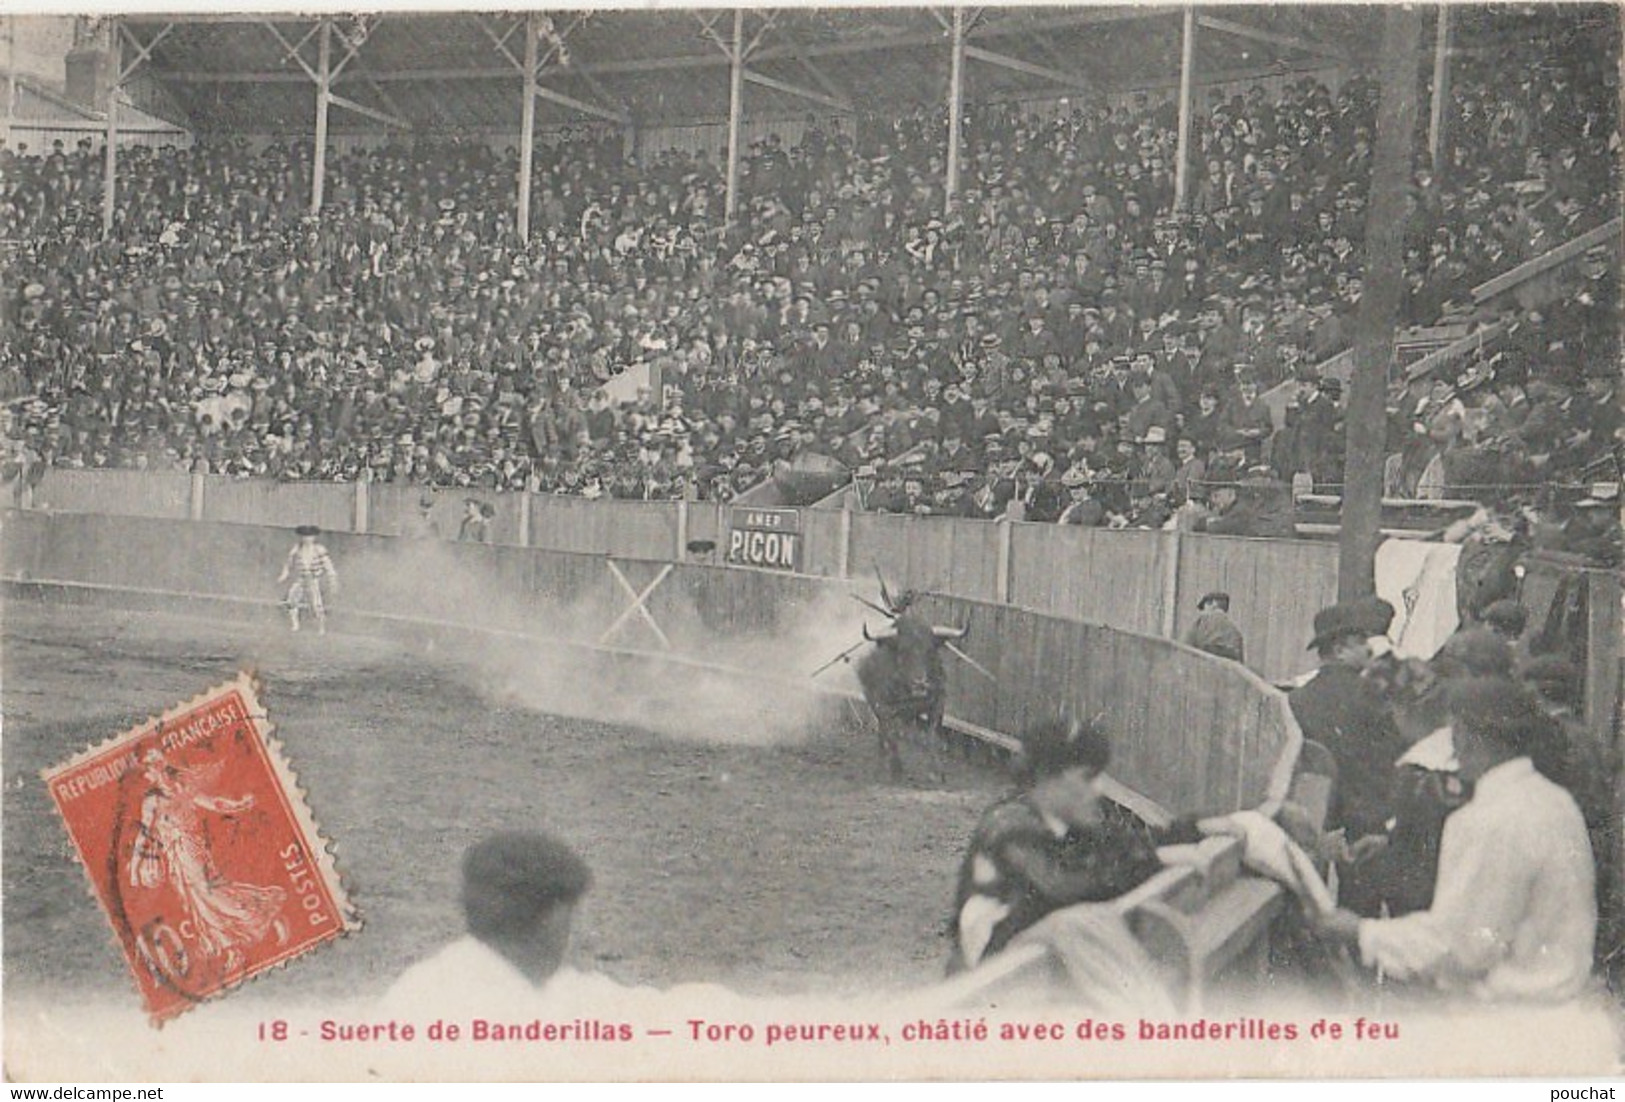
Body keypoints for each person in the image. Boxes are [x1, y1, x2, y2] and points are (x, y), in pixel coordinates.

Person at [1311, 677, 1596, 1004]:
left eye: (1455, 733)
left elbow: (1459, 949)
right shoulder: (1554, 800)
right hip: (1563, 1003)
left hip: (1510, 1018)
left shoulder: (1487, 818)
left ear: (1468, 737)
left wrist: (1359, 931)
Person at [948, 717, 1163, 974]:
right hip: (985, 982)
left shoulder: (1063, 820)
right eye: (1086, 777)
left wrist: (1196, 830)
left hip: (1030, 972)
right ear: (1048, 778)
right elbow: (1063, 886)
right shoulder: (1008, 824)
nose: (1097, 789)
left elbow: (1129, 841)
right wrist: (1152, 859)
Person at [383, 830, 629, 1017]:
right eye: (573, 914)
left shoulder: (426, 985)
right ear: (554, 917)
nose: (582, 935)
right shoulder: (509, 1008)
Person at [1289, 602, 1408, 839]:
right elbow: (1399, 753)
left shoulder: (1297, 699)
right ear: (1340, 649)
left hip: (1321, 820)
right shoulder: (1374, 693)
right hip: (1371, 822)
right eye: (1362, 641)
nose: (1369, 649)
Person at [278, 524, 339, 635]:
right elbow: (288, 563)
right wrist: (284, 574)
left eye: (309, 536)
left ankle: (321, 628)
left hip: (313, 579)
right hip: (300, 579)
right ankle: (295, 625)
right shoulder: (296, 549)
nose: (307, 538)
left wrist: (332, 577)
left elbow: (328, 565)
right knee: (291, 601)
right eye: (304, 536)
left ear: (314, 537)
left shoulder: (319, 550)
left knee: (316, 605)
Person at [1183, 591, 1245, 663]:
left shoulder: (1201, 622)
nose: (1203, 611)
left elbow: (1184, 648)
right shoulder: (1235, 632)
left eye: (1204, 607)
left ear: (1212, 603)